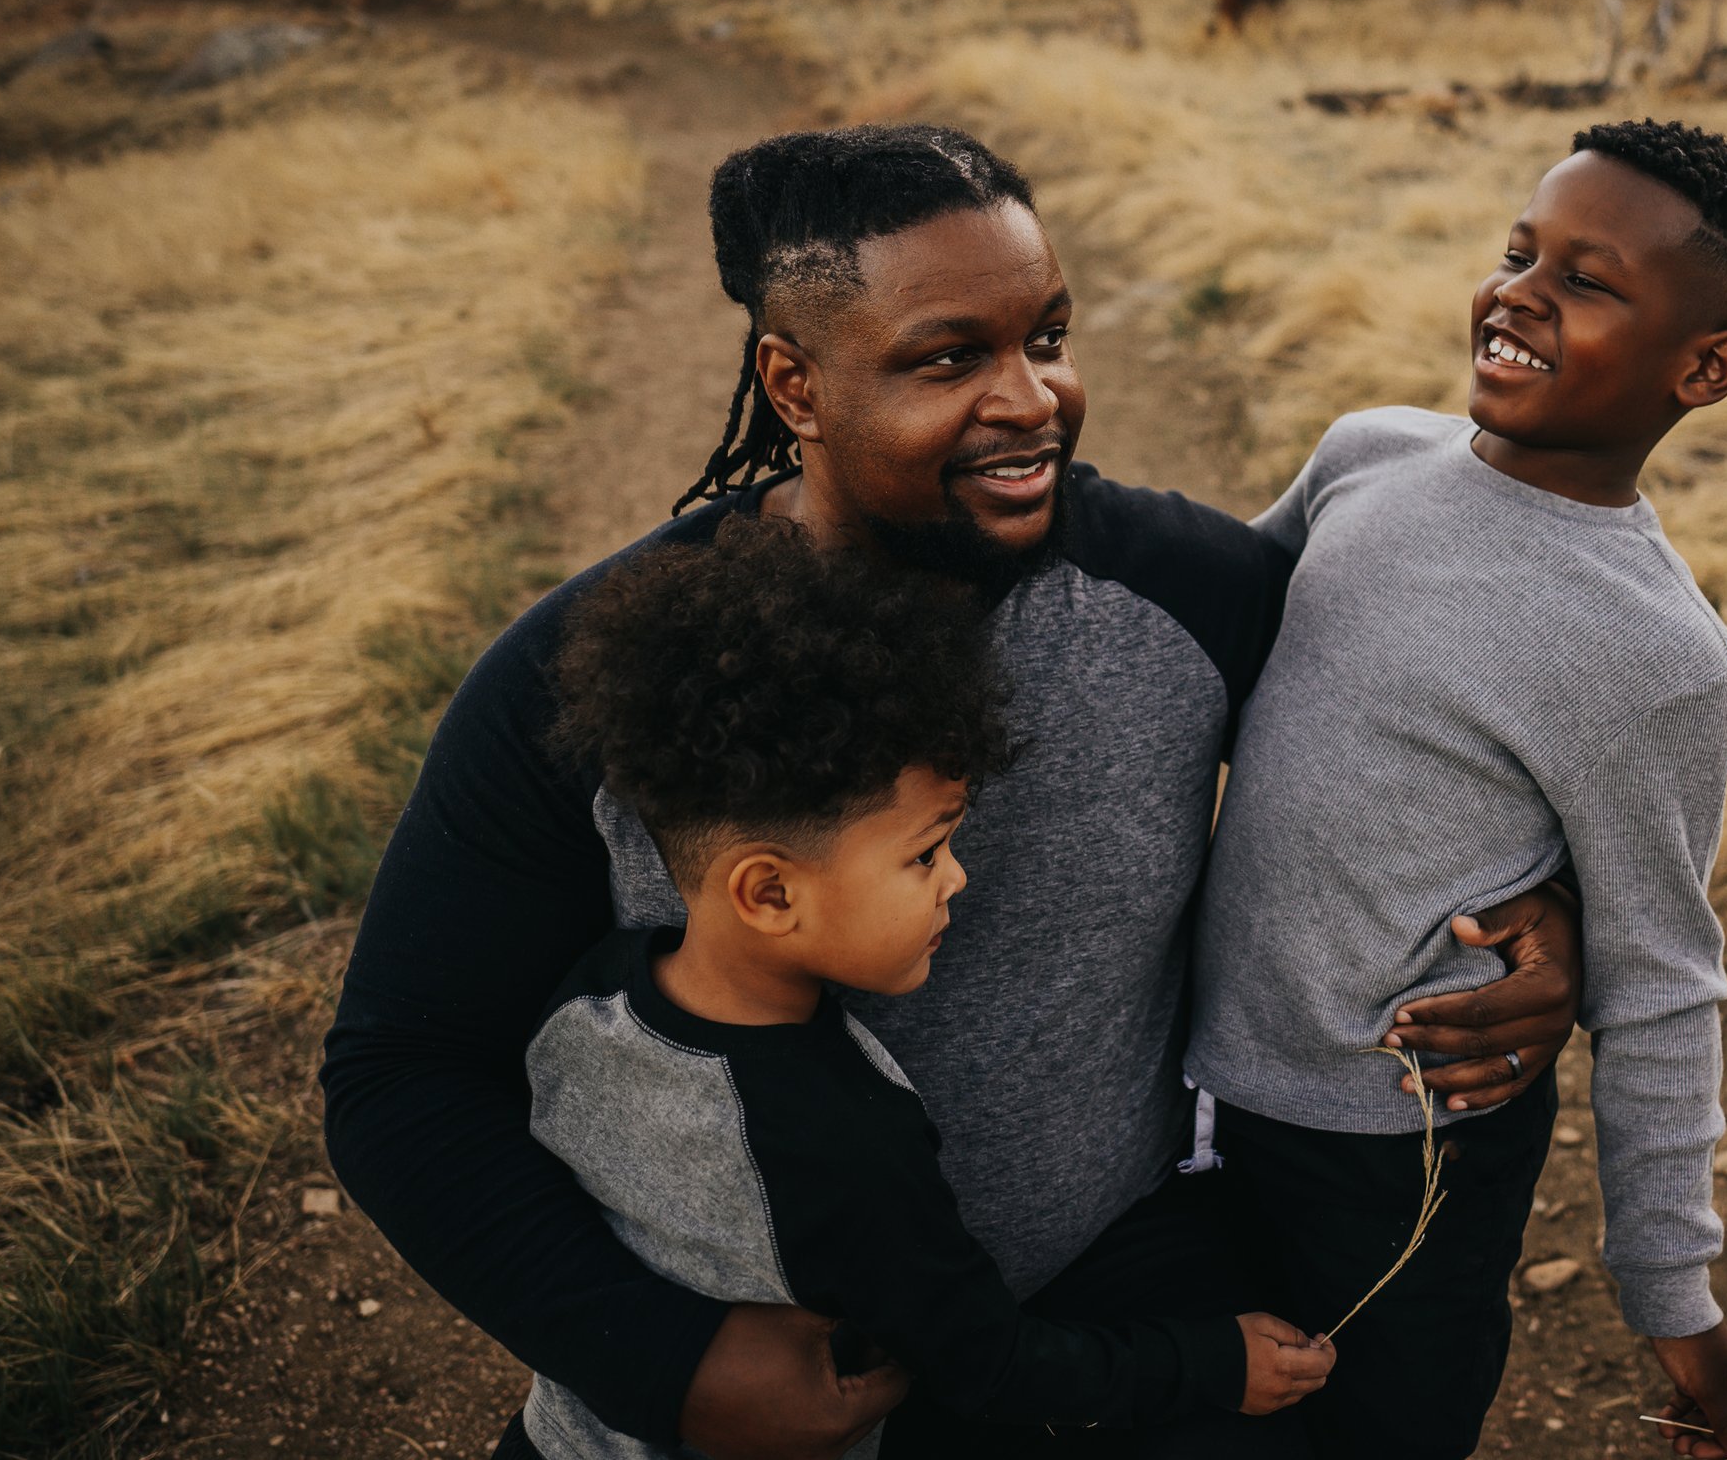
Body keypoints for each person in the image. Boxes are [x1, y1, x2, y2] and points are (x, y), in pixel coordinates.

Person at [319, 122, 1583, 1460]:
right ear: (794, 384)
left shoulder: (1191, 594)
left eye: (1047, 334)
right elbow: (401, 1069)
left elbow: (1429, 742)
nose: (1034, 397)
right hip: (754, 1381)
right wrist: (662, 1357)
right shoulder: (600, 678)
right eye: (948, 357)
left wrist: (1538, 910)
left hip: (1105, 1296)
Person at [1184, 119, 1727, 1460]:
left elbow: (1663, 974)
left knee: (1383, 1413)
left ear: (1706, 365)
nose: (1520, 291)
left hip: (1402, 1138)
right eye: (1520, 250)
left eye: (1587, 280)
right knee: (1198, 1384)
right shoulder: (1367, 454)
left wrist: (1669, 1287)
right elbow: (1205, 658)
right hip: (1188, 1072)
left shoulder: (1654, 653)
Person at [507, 515, 1333, 1460]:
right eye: (927, 852)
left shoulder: (586, 1005)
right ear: (770, 891)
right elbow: (990, 1366)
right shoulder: (847, 1137)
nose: (958, 880)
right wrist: (1212, 1364)